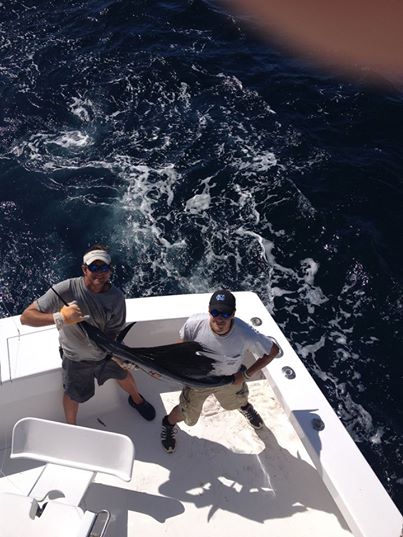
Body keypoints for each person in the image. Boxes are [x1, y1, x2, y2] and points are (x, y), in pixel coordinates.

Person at [20, 244, 155, 425]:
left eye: (104, 267)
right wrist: (60, 317)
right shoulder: (66, 289)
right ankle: (71, 426)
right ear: (84, 269)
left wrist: (117, 355)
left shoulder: (116, 298)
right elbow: (26, 317)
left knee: (124, 375)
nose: (100, 272)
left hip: (104, 354)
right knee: (72, 394)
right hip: (75, 358)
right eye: (94, 267)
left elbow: (114, 331)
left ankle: (137, 399)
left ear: (110, 270)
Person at [161, 289, 280, 453]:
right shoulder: (194, 324)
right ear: (209, 310)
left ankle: (245, 408)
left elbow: (272, 350)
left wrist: (245, 375)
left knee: (239, 400)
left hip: (230, 379)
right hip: (198, 381)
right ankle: (168, 424)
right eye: (215, 312)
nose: (219, 318)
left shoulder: (245, 333)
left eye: (225, 314)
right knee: (187, 415)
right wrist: (171, 368)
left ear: (233, 314)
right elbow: (181, 347)